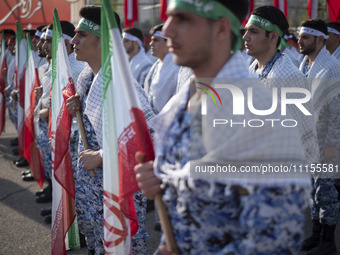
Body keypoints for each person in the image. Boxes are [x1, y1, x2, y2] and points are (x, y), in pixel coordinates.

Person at [135, 0, 311, 254]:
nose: (168, 30)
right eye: (170, 18)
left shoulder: (257, 111)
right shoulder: (186, 99)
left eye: (183, 19)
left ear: (220, 29)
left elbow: (274, 242)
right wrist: (167, 180)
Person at [66, 5, 154, 255]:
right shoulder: (87, 77)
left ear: (101, 39)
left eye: (81, 34)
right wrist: (78, 108)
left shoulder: (120, 83)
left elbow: (146, 137)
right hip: (92, 193)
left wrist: (101, 155)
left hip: (117, 191)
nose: (74, 41)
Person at [244, 5, 319, 164]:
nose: (245, 36)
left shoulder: (289, 77)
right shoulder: (252, 69)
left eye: (254, 31)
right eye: (246, 31)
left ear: (273, 37)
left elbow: (305, 134)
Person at [298, 19, 340, 255]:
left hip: (329, 142)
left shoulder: (331, 68)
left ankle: (329, 242)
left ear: (320, 40)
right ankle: (316, 235)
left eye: (305, 37)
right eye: (300, 36)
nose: (300, 41)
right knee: (314, 192)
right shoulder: (306, 63)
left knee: (327, 194)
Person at [144, 24, 180, 114]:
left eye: (155, 40)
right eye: (151, 40)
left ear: (169, 42)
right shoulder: (156, 65)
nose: (151, 44)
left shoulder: (177, 67)